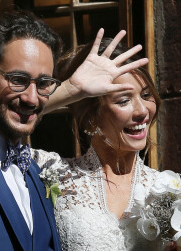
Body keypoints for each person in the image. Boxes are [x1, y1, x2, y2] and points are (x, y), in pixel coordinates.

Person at [0, 10, 146, 250]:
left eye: (43, 84)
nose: (32, 98)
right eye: (18, 80)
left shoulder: (33, 169)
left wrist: (73, 87)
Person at [32, 32, 180, 251]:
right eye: (124, 100)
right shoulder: (53, 173)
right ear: (92, 116)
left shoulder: (171, 190)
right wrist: (70, 89)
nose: (142, 111)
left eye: (146, 95)